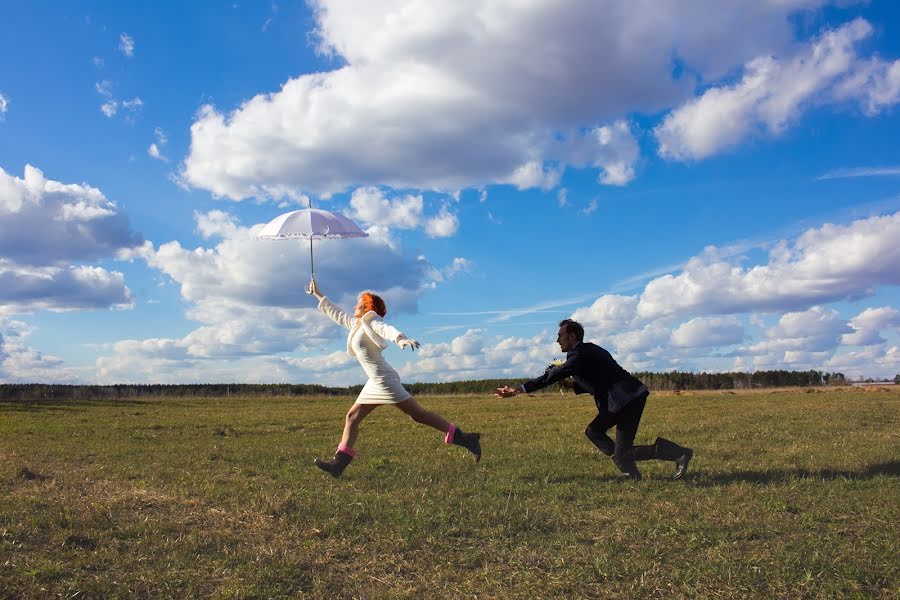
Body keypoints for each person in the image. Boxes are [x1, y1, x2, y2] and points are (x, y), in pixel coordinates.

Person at [309, 278, 481, 478]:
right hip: (374, 381)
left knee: (418, 415)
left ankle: (466, 439)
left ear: (367, 308)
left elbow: (386, 329)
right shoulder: (356, 325)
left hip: (384, 379)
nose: (354, 306)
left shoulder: (371, 320)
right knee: (352, 417)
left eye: (359, 303)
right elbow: (336, 314)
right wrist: (317, 294)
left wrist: (401, 339)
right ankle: (338, 464)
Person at [495, 319, 692, 481]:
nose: (557, 340)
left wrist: (517, 390)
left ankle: (677, 453)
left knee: (622, 451)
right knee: (594, 431)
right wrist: (569, 385)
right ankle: (629, 472)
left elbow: (552, 376)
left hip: (628, 400)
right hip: (619, 401)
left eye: (560, 335)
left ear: (572, 336)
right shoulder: (584, 353)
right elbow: (596, 379)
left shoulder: (580, 354)